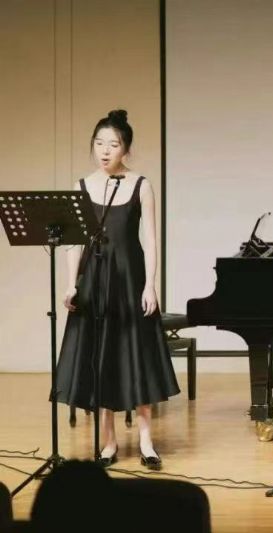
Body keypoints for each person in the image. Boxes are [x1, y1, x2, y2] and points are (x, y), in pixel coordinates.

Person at [54, 110, 179, 470]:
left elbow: (150, 241)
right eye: (99, 144)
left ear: (126, 149)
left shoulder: (141, 185)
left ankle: (146, 441)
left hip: (129, 279)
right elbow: (74, 243)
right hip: (95, 281)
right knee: (101, 358)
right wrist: (71, 284)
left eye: (113, 144)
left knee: (136, 355)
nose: (105, 151)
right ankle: (108, 442)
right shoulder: (81, 187)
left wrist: (151, 285)